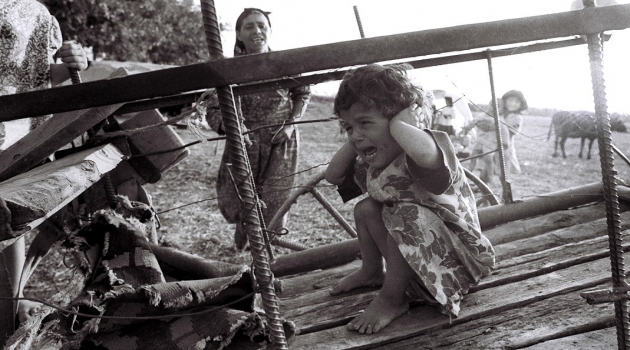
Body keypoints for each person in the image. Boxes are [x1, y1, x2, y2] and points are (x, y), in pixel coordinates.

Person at [325, 64, 495, 334]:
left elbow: (427, 155)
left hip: (455, 265)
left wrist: (398, 124)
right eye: (348, 127)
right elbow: (332, 176)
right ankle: (372, 271)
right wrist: (356, 135)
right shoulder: (377, 163)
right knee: (366, 208)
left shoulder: (423, 148)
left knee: (407, 214)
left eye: (365, 122)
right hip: (414, 264)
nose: (356, 135)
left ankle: (392, 299)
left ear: (402, 122)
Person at [0, 0, 88, 325]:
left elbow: (39, 75)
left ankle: (16, 299)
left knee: (11, 213)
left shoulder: (36, 13)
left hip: (17, 127)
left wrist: (74, 64)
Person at [213, 8, 310, 250]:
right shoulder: (228, 69)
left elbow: (303, 94)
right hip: (242, 142)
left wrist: (290, 125)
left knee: (275, 200)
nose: (257, 31)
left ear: (269, 30)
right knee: (241, 200)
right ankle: (243, 234)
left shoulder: (284, 63)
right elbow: (212, 108)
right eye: (249, 26)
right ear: (238, 34)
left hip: (281, 140)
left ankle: (268, 251)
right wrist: (231, 128)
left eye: (261, 25)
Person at [501, 89, 528, 175]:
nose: (513, 104)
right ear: (504, 101)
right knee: (486, 168)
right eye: (510, 100)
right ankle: (482, 185)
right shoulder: (500, 113)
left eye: (517, 102)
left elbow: (509, 134)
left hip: (505, 146)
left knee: (504, 172)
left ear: (521, 105)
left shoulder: (517, 118)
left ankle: (505, 188)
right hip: (491, 143)